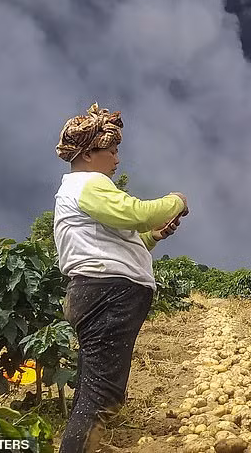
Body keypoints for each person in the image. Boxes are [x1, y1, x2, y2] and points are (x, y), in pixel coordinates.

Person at [54, 103, 188, 453]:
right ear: (87, 154)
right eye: (111, 151)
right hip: (106, 294)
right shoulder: (88, 184)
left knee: (92, 390)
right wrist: (175, 201)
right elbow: (135, 213)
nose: (116, 159)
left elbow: (116, 240)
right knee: (100, 397)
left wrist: (153, 236)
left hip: (97, 292)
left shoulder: (78, 190)